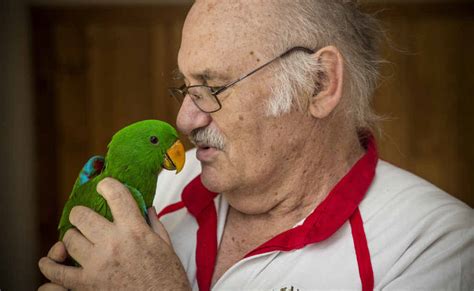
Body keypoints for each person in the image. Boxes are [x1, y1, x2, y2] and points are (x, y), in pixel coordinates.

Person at [38, 1, 473, 290]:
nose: (185, 120)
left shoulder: (440, 248)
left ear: (319, 84)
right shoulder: (157, 189)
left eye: (213, 86)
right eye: (185, 87)